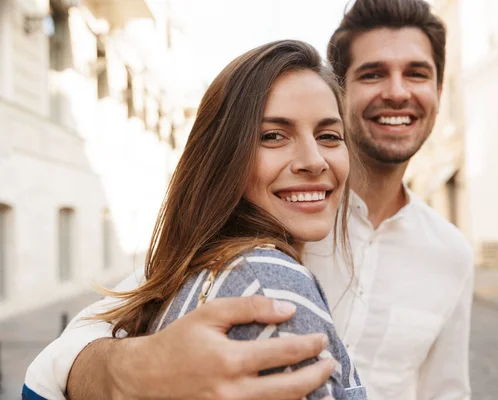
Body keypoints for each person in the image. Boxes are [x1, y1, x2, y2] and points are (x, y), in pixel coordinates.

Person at [25, 0, 474, 399]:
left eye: (417, 73)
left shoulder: (451, 254)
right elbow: (63, 358)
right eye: (373, 73)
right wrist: (133, 370)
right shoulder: (266, 218)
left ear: (438, 90)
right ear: (341, 88)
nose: (397, 91)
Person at [23, 40, 367, 400]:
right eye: (272, 136)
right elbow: (49, 372)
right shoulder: (266, 282)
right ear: (223, 157)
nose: (313, 161)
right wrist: (126, 369)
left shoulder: (205, 266)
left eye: (329, 136)